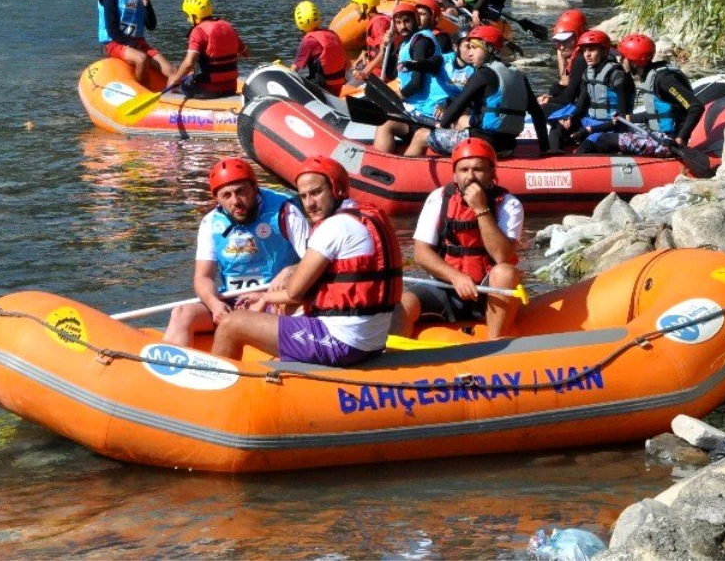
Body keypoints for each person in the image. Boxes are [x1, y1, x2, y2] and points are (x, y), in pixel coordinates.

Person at [211, 156, 403, 365]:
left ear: (337, 189)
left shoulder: (335, 226)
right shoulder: (369, 216)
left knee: (232, 323)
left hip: (342, 342)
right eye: (303, 196)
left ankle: (214, 391)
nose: (309, 204)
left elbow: (294, 292)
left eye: (316, 192)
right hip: (372, 341)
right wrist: (265, 296)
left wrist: (265, 298)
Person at [163, 158, 310, 347]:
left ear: (255, 187)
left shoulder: (286, 212)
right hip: (235, 303)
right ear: (217, 198)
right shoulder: (210, 223)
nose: (236, 201)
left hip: (276, 302)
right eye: (227, 195)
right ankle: (169, 371)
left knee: (304, 308)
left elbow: (312, 263)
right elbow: (203, 277)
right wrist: (215, 306)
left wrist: (290, 270)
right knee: (181, 314)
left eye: (241, 191)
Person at [391, 138, 524, 340]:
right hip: (447, 287)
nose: (470, 176)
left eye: (478, 169)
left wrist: (481, 209)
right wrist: (456, 277)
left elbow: (502, 256)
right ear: (455, 174)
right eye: (464, 170)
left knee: (505, 272)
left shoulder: (509, 205)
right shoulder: (438, 198)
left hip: (488, 291)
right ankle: (394, 358)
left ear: (492, 173)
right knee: (404, 303)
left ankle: (496, 345)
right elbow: (421, 253)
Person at [402, 25, 550, 158]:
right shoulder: (518, 75)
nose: (470, 53)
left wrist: (441, 127)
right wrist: (545, 147)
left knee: (421, 135)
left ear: (489, 49)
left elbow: (457, 106)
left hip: (481, 143)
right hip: (508, 145)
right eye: (469, 47)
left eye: (474, 48)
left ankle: (406, 180)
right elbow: (537, 112)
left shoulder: (482, 74)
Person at [579, 33, 704, 156]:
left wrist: (681, 138)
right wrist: (628, 118)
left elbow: (696, 106)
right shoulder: (650, 76)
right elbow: (660, 113)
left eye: (623, 57)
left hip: (668, 140)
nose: (620, 60)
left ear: (633, 61)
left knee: (603, 140)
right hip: (657, 133)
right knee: (602, 138)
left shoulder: (664, 79)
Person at [372, 3, 451, 152]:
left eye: (407, 21)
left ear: (415, 20)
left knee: (385, 122)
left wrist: (395, 97)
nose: (403, 26)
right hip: (415, 106)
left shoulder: (420, 42)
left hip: (427, 111)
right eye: (398, 22)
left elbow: (417, 83)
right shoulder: (406, 42)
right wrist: (385, 47)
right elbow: (391, 72)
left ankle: (382, 162)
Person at [552, 29, 635, 152]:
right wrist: (570, 117)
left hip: (610, 127)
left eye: (592, 50)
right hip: (591, 121)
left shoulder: (617, 76)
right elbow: (581, 106)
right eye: (584, 50)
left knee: (584, 150)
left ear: (604, 51)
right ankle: (553, 159)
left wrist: (590, 130)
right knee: (558, 128)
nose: (587, 55)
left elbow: (621, 118)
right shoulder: (587, 74)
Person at [97, 0, 174, 83]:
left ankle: (173, 97)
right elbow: (112, 30)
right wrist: (133, 45)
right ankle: (144, 92)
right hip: (114, 43)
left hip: (137, 41)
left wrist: (146, 1)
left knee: (171, 70)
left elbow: (151, 26)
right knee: (142, 59)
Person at [167, 0, 250, 98]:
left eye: (188, 15)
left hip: (206, 90)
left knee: (174, 79)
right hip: (231, 88)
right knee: (189, 75)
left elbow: (189, 63)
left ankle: (170, 101)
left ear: (193, 16)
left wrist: (175, 80)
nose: (187, 18)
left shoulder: (198, 31)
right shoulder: (227, 26)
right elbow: (246, 53)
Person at [290, 0, 347, 96]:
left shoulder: (308, 41)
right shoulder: (331, 34)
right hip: (338, 85)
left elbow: (294, 70)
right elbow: (347, 63)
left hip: (323, 87)